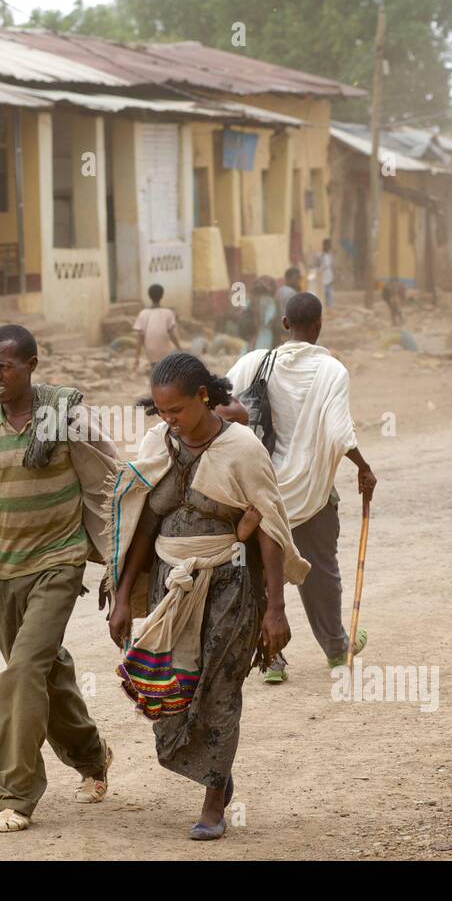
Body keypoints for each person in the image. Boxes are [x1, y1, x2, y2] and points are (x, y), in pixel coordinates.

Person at [106, 352, 309, 840]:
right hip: (168, 587)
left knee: (218, 690)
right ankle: (218, 768)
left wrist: (275, 611)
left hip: (230, 585)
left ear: (203, 398)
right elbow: (143, 518)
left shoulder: (241, 448)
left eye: (176, 410)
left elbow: (270, 528)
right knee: (168, 689)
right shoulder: (159, 442)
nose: (169, 421)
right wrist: (121, 596)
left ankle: (214, 801)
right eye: (161, 412)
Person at [0, 324, 115, 834]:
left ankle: (13, 794)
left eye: (4, 366)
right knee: (45, 672)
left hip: (59, 564)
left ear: (31, 364)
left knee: (22, 671)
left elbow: (112, 486)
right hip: (6, 571)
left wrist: (116, 561)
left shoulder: (67, 422)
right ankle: (93, 758)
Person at [225, 291, 376, 682]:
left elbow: (219, 406)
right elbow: (340, 431)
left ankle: (271, 660)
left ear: (285, 324)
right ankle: (336, 649)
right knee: (320, 571)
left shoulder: (254, 362)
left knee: (257, 571)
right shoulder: (332, 372)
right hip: (310, 492)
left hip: (258, 492)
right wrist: (363, 468)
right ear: (320, 325)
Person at [133, 283, 181, 372]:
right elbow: (172, 334)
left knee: (155, 372)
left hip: (150, 352)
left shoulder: (143, 313)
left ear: (149, 296)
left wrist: (137, 358)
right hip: (165, 352)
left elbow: (140, 337)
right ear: (162, 296)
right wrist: (179, 348)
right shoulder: (168, 313)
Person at [250, 276, 279, 350]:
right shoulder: (270, 301)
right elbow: (269, 319)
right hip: (265, 331)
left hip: (253, 332)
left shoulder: (251, 300)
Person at [316, 239, 335, 310]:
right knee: (322, 296)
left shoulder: (331, 256)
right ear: (323, 245)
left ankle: (329, 310)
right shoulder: (319, 255)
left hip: (330, 278)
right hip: (322, 279)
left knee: (330, 296)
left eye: (329, 245)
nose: (328, 247)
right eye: (327, 245)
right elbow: (316, 267)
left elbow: (332, 267)